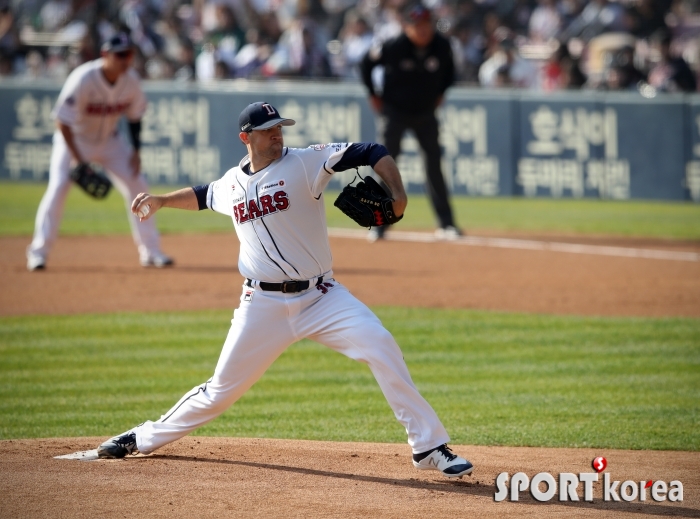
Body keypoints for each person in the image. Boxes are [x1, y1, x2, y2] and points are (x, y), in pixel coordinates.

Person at [95, 101, 474, 480]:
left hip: (322, 297)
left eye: (280, 126)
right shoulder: (232, 182)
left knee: (380, 343)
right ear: (246, 137)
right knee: (220, 391)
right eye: (268, 129)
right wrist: (161, 200)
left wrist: (399, 194)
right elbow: (203, 194)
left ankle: (429, 446)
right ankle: (141, 437)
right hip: (261, 304)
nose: (277, 133)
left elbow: (372, 151)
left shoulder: (306, 163)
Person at [26, 33, 173, 271]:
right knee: (57, 190)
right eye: (121, 55)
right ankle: (38, 253)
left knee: (139, 185)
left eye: (130, 54)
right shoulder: (83, 78)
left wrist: (136, 152)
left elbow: (135, 118)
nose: (126, 60)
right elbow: (62, 122)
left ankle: (151, 252)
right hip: (73, 140)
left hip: (110, 142)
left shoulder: (131, 80)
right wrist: (78, 159)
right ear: (106, 55)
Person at [359, 3, 461, 242]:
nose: (423, 30)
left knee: (434, 164)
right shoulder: (393, 46)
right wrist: (373, 94)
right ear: (407, 27)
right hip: (394, 112)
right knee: (386, 165)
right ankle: (379, 223)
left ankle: (446, 223)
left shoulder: (442, 46)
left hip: (425, 113)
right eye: (417, 26)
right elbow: (366, 64)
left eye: (426, 25)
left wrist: (440, 93)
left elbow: (450, 73)